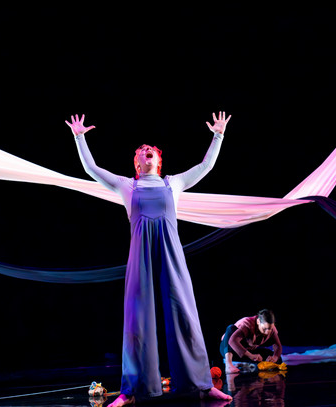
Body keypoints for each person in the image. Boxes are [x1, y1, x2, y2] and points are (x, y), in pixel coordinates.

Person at [66, 112, 233, 406]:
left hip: (171, 251)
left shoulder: (175, 183)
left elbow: (206, 166)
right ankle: (131, 390)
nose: (147, 149)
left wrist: (218, 135)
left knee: (184, 311)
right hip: (139, 252)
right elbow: (91, 168)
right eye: (141, 150)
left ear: (158, 159)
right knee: (137, 316)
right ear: (137, 162)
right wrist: (80, 137)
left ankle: (202, 385)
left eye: (151, 149)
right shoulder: (125, 185)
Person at [219, 309, 283, 374]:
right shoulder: (247, 323)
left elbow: (278, 345)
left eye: (270, 329)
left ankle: (245, 363)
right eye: (264, 329)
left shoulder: (271, 329)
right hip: (230, 349)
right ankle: (228, 364)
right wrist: (250, 355)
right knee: (231, 328)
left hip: (247, 351)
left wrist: (275, 357)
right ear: (258, 321)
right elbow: (232, 341)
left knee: (277, 357)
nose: (267, 332)